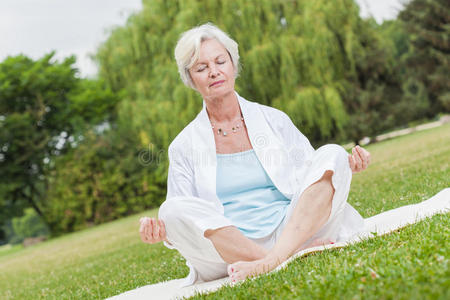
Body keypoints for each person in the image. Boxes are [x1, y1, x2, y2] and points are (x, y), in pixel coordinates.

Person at [139, 23, 371, 285]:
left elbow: (314, 174)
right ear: (190, 79)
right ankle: (284, 257)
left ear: (233, 66)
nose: (214, 72)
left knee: (333, 153)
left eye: (220, 62)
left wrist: (345, 165)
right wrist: (162, 233)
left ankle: (272, 260)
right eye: (201, 68)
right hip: (230, 250)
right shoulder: (182, 146)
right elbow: (184, 219)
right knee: (170, 209)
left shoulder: (274, 119)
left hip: (292, 229)